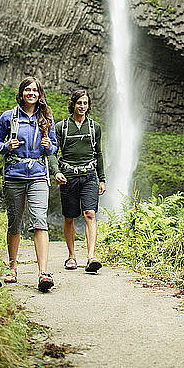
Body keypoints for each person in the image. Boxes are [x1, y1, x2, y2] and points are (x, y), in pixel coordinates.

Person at [0, 77, 57, 292]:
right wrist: (7, 146)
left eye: (35, 90)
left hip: (38, 175)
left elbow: (53, 147)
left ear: (40, 94)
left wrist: (48, 146)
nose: (31, 93)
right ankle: (12, 267)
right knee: (15, 222)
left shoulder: (46, 117)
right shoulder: (8, 117)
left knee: (40, 221)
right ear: (21, 93)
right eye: (27, 89)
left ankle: (43, 273)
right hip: (14, 175)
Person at [49, 89, 106, 273]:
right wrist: (56, 171)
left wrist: (102, 179)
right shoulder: (61, 127)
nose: (82, 106)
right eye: (79, 103)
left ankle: (91, 257)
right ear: (73, 104)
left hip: (89, 176)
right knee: (70, 216)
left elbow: (98, 154)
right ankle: (72, 256)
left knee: (90, 213)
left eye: (85, 103)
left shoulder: (94, 127)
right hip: (68, 177)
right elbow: (52, 152)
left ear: (89, 106)